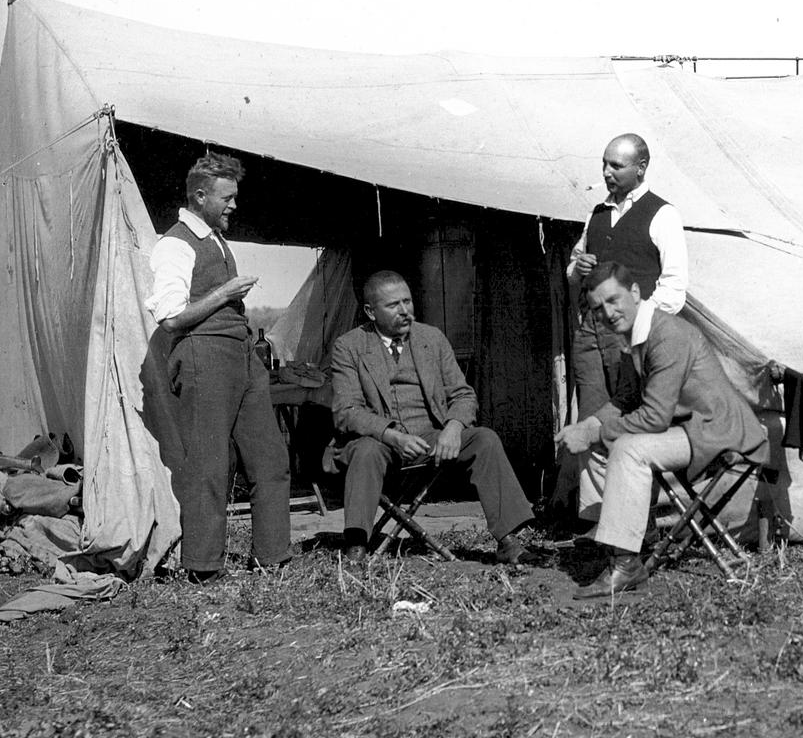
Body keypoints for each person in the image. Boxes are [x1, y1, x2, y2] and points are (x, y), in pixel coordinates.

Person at [555, 262, 768, 598]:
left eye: (614, 300)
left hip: (719, 431)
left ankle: (625, 566)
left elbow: (653, 417)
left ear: (636, 293)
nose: (608, 313)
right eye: (598, 308)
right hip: (688, 429)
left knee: (628, 448)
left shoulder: (666, 333)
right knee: (604, 444)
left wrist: (596, 433)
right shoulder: (633, 336)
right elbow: (625, 399)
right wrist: (588, 426)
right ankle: (632, 536)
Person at [147, 152, 291, 582]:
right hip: (203, 354)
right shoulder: (174, 243)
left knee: (269, 457)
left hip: (241, 354)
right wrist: (227, 291)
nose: (234, 205)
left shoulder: (215, 238)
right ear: (201, 195)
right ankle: (204, 567)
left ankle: (273, 557)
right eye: (227, 198)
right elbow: (170, 318)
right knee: (209, 464)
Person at [328, 270, 537, 564]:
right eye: (393, 305)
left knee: (484, 439)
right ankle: (357, 546)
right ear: (370, 312)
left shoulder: (431, 338)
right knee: (365, 451)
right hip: (379, 441)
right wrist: (392, 435)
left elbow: (463, 395)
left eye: (408, 302)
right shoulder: (349, 346)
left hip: (431, 437)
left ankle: (507, 540)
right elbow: (346, 411)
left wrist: (453, 428)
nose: (405, 311)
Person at [566, 134, 687, 418]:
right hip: (591, 335)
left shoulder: (663, 214)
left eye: (617, 166)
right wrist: (578, 268)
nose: (607, 172)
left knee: (632, 418)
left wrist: (641, 326)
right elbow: (572, 271)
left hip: (632, 336)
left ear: (641, 167)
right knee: (592, 421)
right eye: (604, 164)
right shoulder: (595, 213)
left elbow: (674, 287)